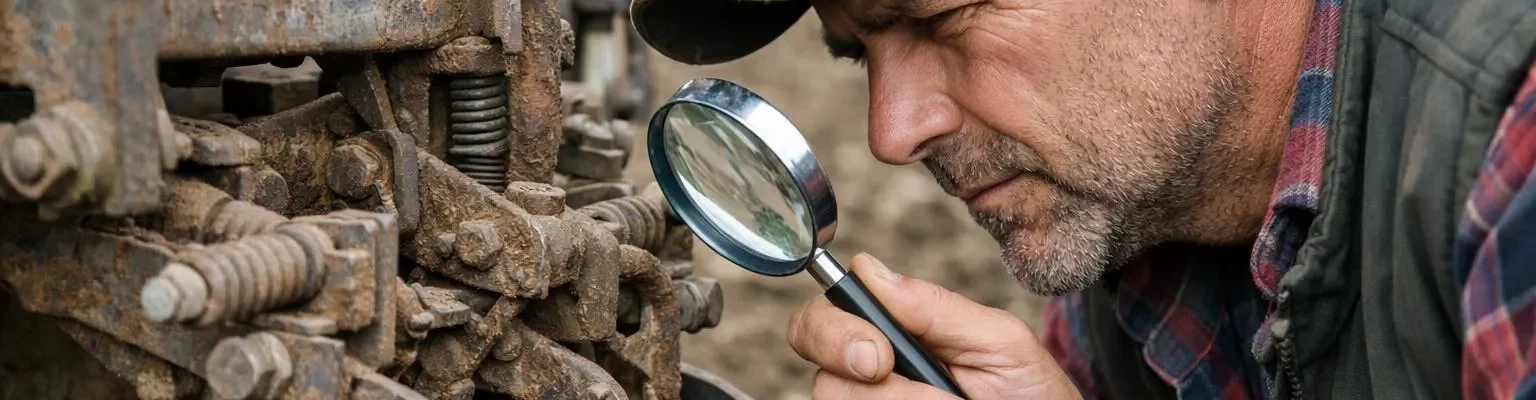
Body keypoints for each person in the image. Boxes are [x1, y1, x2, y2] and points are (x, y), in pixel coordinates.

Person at [626, 0, 1536, 398]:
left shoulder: (1508, 153)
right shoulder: (1142, 247)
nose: (892, 133)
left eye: (942, 19)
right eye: (862, 52)